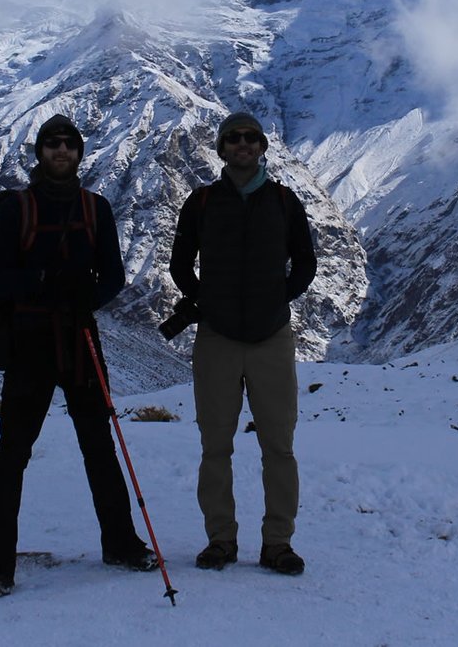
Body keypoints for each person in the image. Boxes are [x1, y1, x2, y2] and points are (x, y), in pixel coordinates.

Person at [0, 114, 157, 600]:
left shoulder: (96, 210)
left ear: (79, 153)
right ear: (40, 153)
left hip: (76, 337)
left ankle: (119, 543)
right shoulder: (17, 209)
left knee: (97, 444)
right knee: (13, 453)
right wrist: (45, 285)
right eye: (52, 145)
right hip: (34, 340)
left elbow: (113, 276)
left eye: (68, 145)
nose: (61, 152)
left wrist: (83, 300)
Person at [163, 111, 317, 576]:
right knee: (215, 446)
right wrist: (206, 300)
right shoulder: (202, 203)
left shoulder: (286, 202)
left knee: (279, 446)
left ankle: (278, 543)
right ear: (222, 148)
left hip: (270, 336)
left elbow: (305, 264)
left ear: (263, 146)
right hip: (218, 337)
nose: (243, 145)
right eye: (234, 139)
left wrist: (275, 299)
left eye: (251, 138)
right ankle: (221, 540)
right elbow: (178, 264)